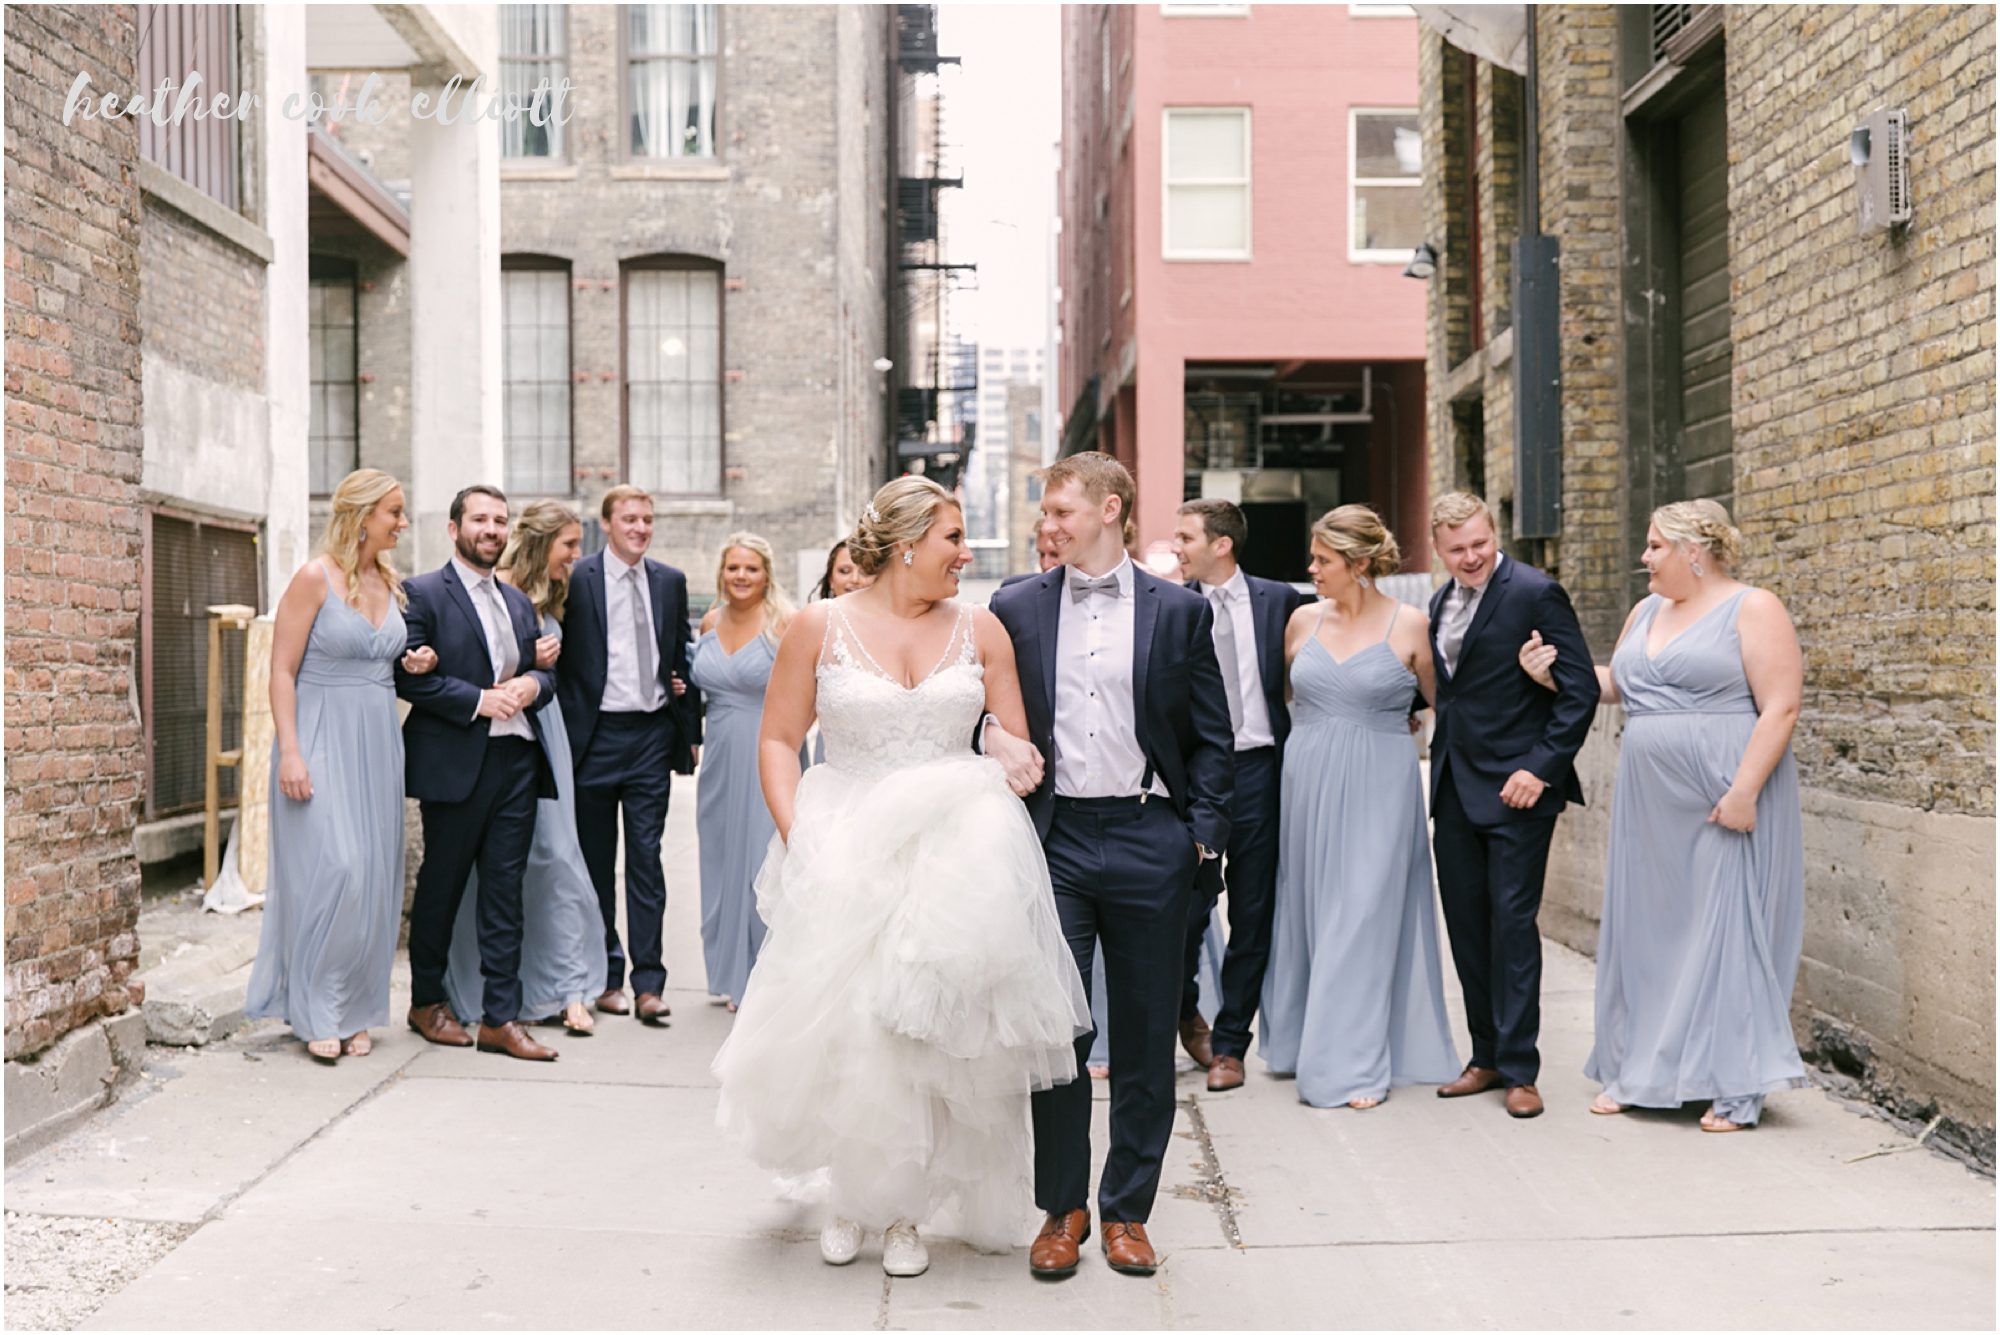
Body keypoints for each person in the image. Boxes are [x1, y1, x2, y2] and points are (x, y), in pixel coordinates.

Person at [712, 477, 1086, 1281]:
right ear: (909, 542)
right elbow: (779, 740)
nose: (967, 552)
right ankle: (853, 1196)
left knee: (934, 1038)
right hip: (848, 839)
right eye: (953, 536)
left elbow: (1005, 733)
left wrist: (1004, 744)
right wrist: (803, 837)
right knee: (851, 1029)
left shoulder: (982, 629)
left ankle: (910, 1205)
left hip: (958, 852)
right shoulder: (821, 624)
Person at [986, 451, 1234, 1280]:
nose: (1046, 526)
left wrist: (1198, 835)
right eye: (1045, 512)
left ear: (1113, 509)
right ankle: (1063, 1210)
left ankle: (1129, 1208)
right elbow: (981, 711)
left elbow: (1211, 736)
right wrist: (995, 740)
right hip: (1051, 841)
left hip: (1146, 836)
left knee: (1141, 1035)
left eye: (1061, 511)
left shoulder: (1179, 610)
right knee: (1058, 1033)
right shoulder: (1015, 605)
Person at [1519, 500, 1805, 1131]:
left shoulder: (1753, 607)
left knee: (1724, 931)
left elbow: (1781, 706)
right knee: (1648, 932)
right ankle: (1640, 1070)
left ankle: (1732, 1084)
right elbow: (1619, 685)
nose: (1643, 557)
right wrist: (1552, 675)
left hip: (1722, 792)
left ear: (1693, 551)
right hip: (1649, 800)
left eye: (1653, 546)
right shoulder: (1647, 610)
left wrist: (1745, 791)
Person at [1259, 506, 1460, 1108]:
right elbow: (1289, 699)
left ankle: (1352, 1065)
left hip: (1381, 784)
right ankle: (1303, 1043)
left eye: (1323, 560)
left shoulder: (1411, 625)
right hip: (1308, 782)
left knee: (1363, 917)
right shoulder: (1300, 622)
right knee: (1313, 911)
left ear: (1360, 564)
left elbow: (1443, 707)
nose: (1311, 568)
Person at [247, 470, 434, 1063]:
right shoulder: (313, 578)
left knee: (374, 879)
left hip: (378, 737)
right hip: (320, 734)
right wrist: (292, 750)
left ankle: (355, 1008)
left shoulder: (391, 582)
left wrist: (418, 663)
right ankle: (315, 1008)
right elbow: (281, 670)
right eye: (394, 512)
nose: (402, 523)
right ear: (360, 515)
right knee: (338, 869)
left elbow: (388, 663)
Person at [1425, 492, 1599, 1118]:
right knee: (1468, 930)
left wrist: (1540, 768)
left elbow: (1578, 693)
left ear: (1493, 534)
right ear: (1438, 550)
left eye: (1479, 543)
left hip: (1517, 789)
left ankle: (1522, 1068)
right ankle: (1485, 1056)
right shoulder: (1439, 601)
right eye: (1457, 549)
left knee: (1513, 928)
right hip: (1452, 787)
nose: (1471, 557)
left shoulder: (1534, 591)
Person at [395, 485, 562, 1062]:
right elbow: (408, 675)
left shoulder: (517, 603)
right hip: (456, 763)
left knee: (504, 891)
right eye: (480, 520)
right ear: (454, 528)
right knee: (442, 885)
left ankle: (500, 1018)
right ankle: (426, 1002)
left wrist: (531, 684)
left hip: (517, 761)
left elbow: (546, 678)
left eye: (499, 521)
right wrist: (478, 699)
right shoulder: (421, 593)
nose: (491, 529)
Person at [443, 501, 607, 1037]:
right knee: (492, 872)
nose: (576, 557)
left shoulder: (560, 594)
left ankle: (568, 988)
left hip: (546, 729)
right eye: (569, 546)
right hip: (493, 731)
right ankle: (486, 991)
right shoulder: (491, 590)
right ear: (540, 544)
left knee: (557, 857)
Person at [1170, 498, 1304, 1093]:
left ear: (1220, 544)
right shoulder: (1173, 607)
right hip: (1197, 776)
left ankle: (1230, 1044)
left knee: (1253, 912)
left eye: (1185, 537)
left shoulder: (1282, 601)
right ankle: (1183, 1011)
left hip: (1261, 770)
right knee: (1183, 910)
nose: (1176, 547)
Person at [559, 485, 702, 1024]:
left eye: (647, 519)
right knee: (597, 863)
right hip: (594, 737)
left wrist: (686, 720)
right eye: (629, 520)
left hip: (648, 736)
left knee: (646, 859)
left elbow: (679, 656)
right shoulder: (579, 580)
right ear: (607, 524)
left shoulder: (669, 582)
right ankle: (605, 975)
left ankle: (649, 983)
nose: (640, 528)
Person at [690, 533, 794, 1012]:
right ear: (722, 573)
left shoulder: (783, 624)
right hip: (718, 758)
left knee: (761, 861)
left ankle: (762, 975)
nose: (741, 577)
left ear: (766, 574)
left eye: (750, 569)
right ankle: (728, 972)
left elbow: (806, 696)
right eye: (733, 568)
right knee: (720, 861)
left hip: (766, 754)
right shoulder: (710, 620)